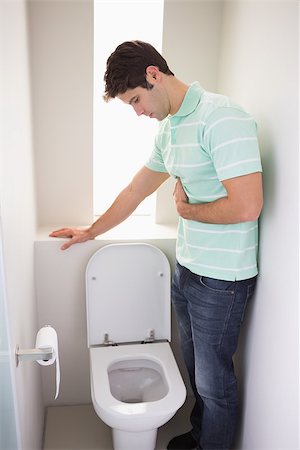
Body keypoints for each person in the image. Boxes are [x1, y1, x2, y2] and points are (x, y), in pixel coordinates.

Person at [50, 40, 263, 450]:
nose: (138, 112)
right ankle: (201, 436)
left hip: (223, 280)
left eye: (135, 100)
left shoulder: (222, 117)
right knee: (194, 368)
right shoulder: (171, 129)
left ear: (153, 74)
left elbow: (247, 206)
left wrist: (187, 211)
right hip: (188, 271)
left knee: (214, 381)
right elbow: (135, 191)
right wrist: (90, 232)